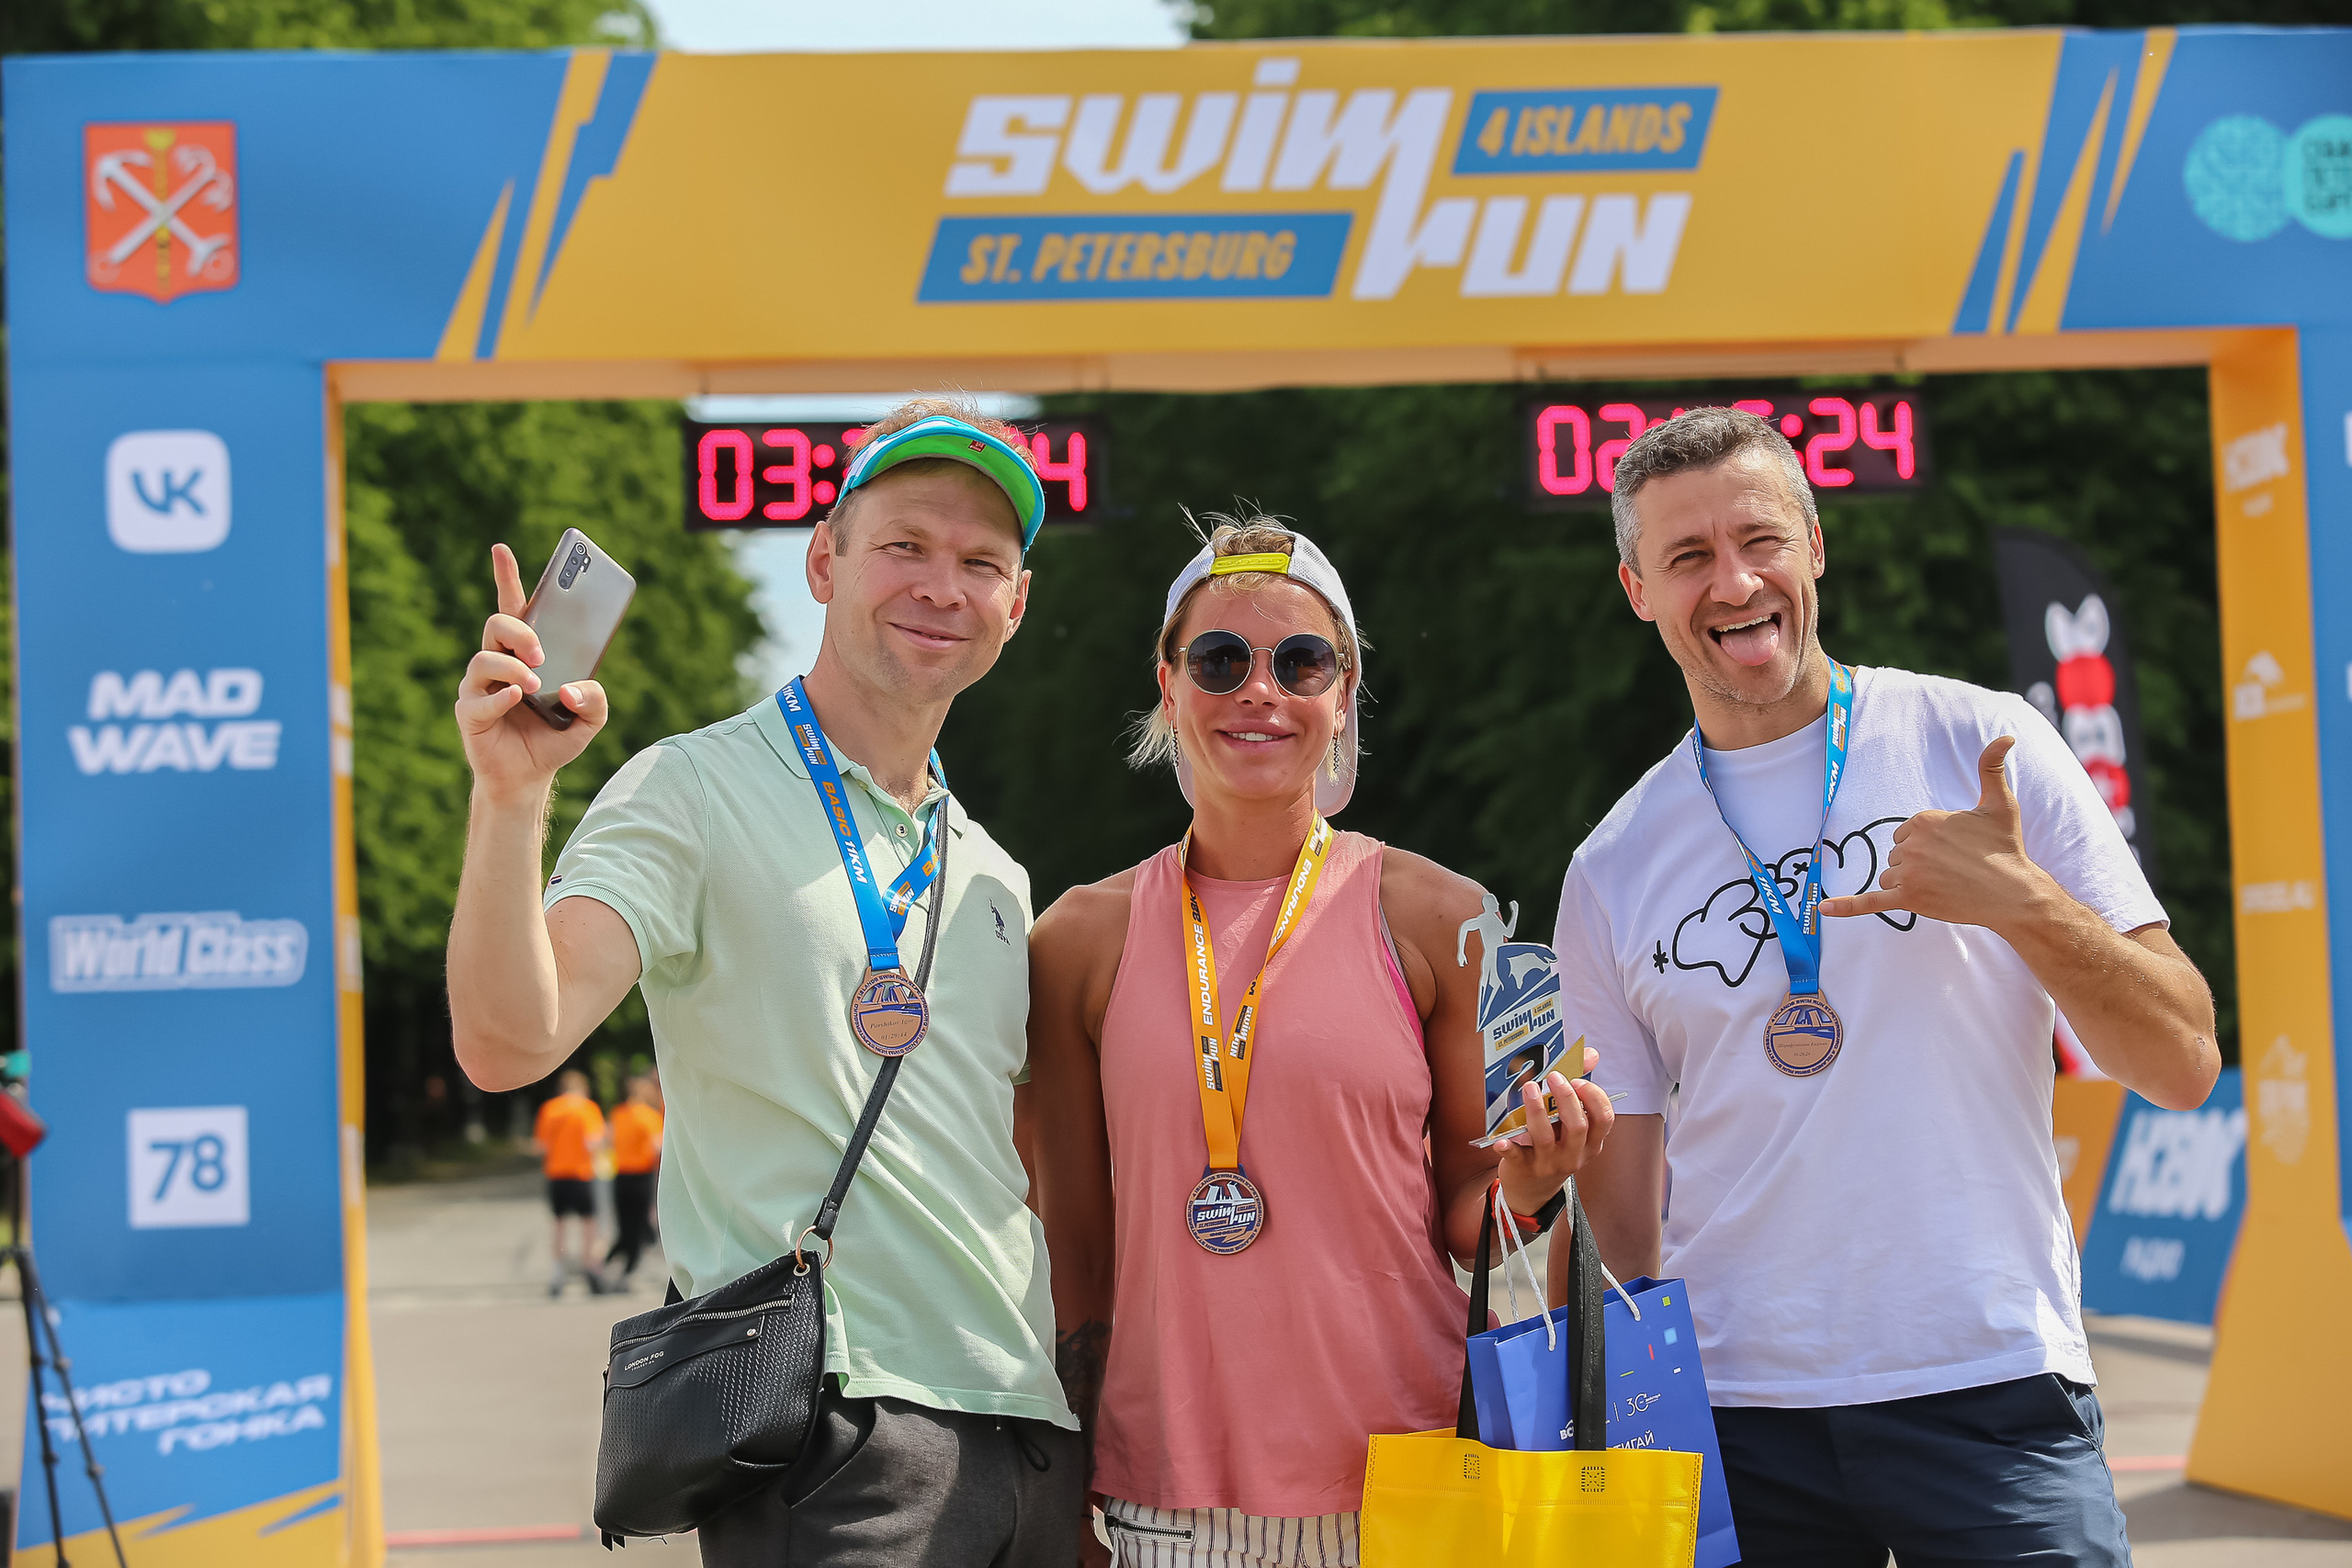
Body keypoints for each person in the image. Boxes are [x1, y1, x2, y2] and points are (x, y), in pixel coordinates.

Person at [1550, 408, 2218, 1566]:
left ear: (1815, 545)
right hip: (1736, 1421)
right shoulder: (1612, 866)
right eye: (1688, 556)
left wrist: (2021, 901)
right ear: (1637, 591)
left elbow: (2180, 1060)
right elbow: (1621, 1221)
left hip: (1991, 1385)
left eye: (1758, 539)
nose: (1734, 581)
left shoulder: (1978, 743)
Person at [447, 396, 1082, 1566]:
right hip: (835, 1435)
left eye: (980, 561)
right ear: (823, 561)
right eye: (903, 546)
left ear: (1016, 604)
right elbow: (507, 1040)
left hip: (1028, 1432)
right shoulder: (687, 790)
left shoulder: (994, 871)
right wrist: (509, 798)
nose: (942, 585)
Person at [1025, 517, 1615, 1566]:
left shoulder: (1441, 918)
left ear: (1343, 693)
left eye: (1300, 662)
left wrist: (1533, 1187)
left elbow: (1475, 1224)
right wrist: (1065, 1492)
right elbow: (1071, 1252)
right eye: (1220, 659)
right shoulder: (1079, 939)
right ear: (1168, 685)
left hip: (1411, 1488)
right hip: (1165, 1500)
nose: (1260, 690)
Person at [533, 1067, 610, 1297]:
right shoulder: (588, 1109)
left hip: (557, 1173)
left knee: (558, 1224)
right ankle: (589, 1268)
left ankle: (557, 1273)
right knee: (589, 1224)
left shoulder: (550, 1109)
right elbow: (592, 1142)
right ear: (582, 1088)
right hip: (581, 1173)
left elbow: (541, 1146)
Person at [604, 1073, 663, 1286]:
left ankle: (617, 1261)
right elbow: (658, 1145)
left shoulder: (617, 1113)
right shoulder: (648, 1116)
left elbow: (609, 1140)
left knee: (624, 1221)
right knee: (639, 1223)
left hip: (620, 1173)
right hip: (642, 1174)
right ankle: (630, 1267)